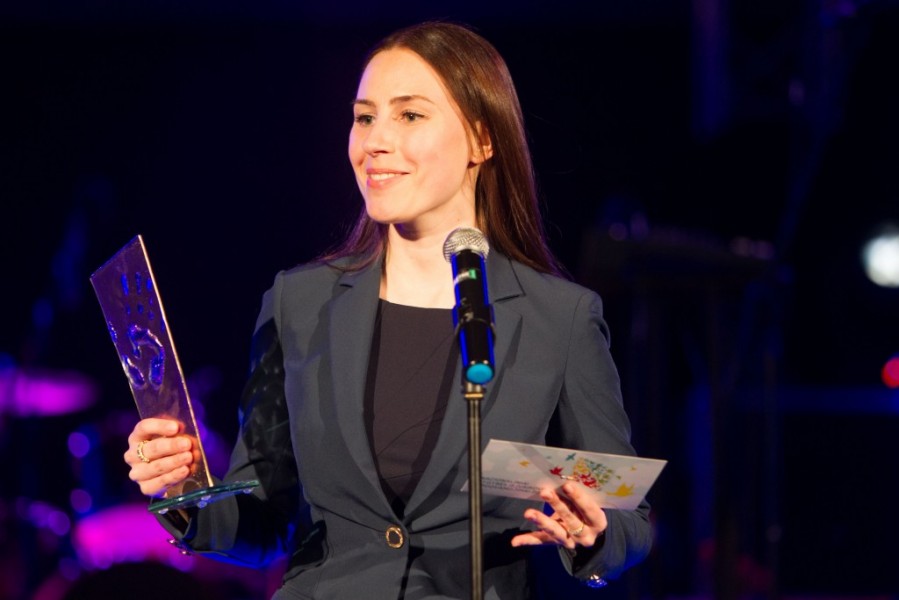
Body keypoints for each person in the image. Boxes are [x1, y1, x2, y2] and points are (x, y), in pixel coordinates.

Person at [123, 20, 653, 599]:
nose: (374, 141)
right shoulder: (300, 303)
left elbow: (627, 516)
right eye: (364, 117)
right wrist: (182, 492)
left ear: (482, 140)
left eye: (410, 115)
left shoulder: (560, 317)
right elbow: (266, 521)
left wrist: (596, 533)